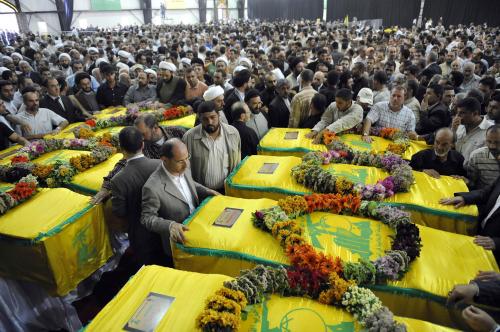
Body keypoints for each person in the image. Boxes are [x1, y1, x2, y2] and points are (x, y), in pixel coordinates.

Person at [140, 138, 216, 258]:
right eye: (180, 161)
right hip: (181, 244)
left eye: (187, 157)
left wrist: (207, 191)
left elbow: (191, 183)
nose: (187, 164)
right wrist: (170, 225)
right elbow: (146, 218)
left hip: (201, 229)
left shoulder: (184, 165)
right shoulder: (152, 187)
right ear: (164, 160)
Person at [91, 113, 186, 204]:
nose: (140, 138)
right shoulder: (142, 144)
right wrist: (105, 188)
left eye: (143, 134)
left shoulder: (177, 132)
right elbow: (124, 163)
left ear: (155, 128)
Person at [110, 127, 165, 267]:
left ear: (121, 149)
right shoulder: (160, 165)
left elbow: (120, 212)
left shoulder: (118, 180)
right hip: (165, 228)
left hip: (141, 237)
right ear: (142, 144)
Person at [182, 101, 241, 192]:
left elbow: (238, 162)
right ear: (199, 118)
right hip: (202, 192)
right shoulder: (189, 137)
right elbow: (185, 169)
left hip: (227, 190)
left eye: (212, 117)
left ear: (219, 115)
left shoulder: (233, 133)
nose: (210, 122)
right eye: (205, 119)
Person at [440, 175, 500, 262]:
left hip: (494, 254)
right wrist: (464, 198)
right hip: (480, 235)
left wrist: (497, 243)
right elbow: (486, 193)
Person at [454, 97, 494, 164]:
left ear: (475, 113)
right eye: (457, 112)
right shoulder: (459, 126)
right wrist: (453, 130)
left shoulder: (490, 130)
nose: (458, 116)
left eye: (462, 113)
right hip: (455, 168)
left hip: (474, 171)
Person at [467, 125, 500, 190]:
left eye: (497, 142)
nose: (492, 146)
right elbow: (472, 183)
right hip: (484, 196)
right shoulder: (476, 156)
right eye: (489, 141)